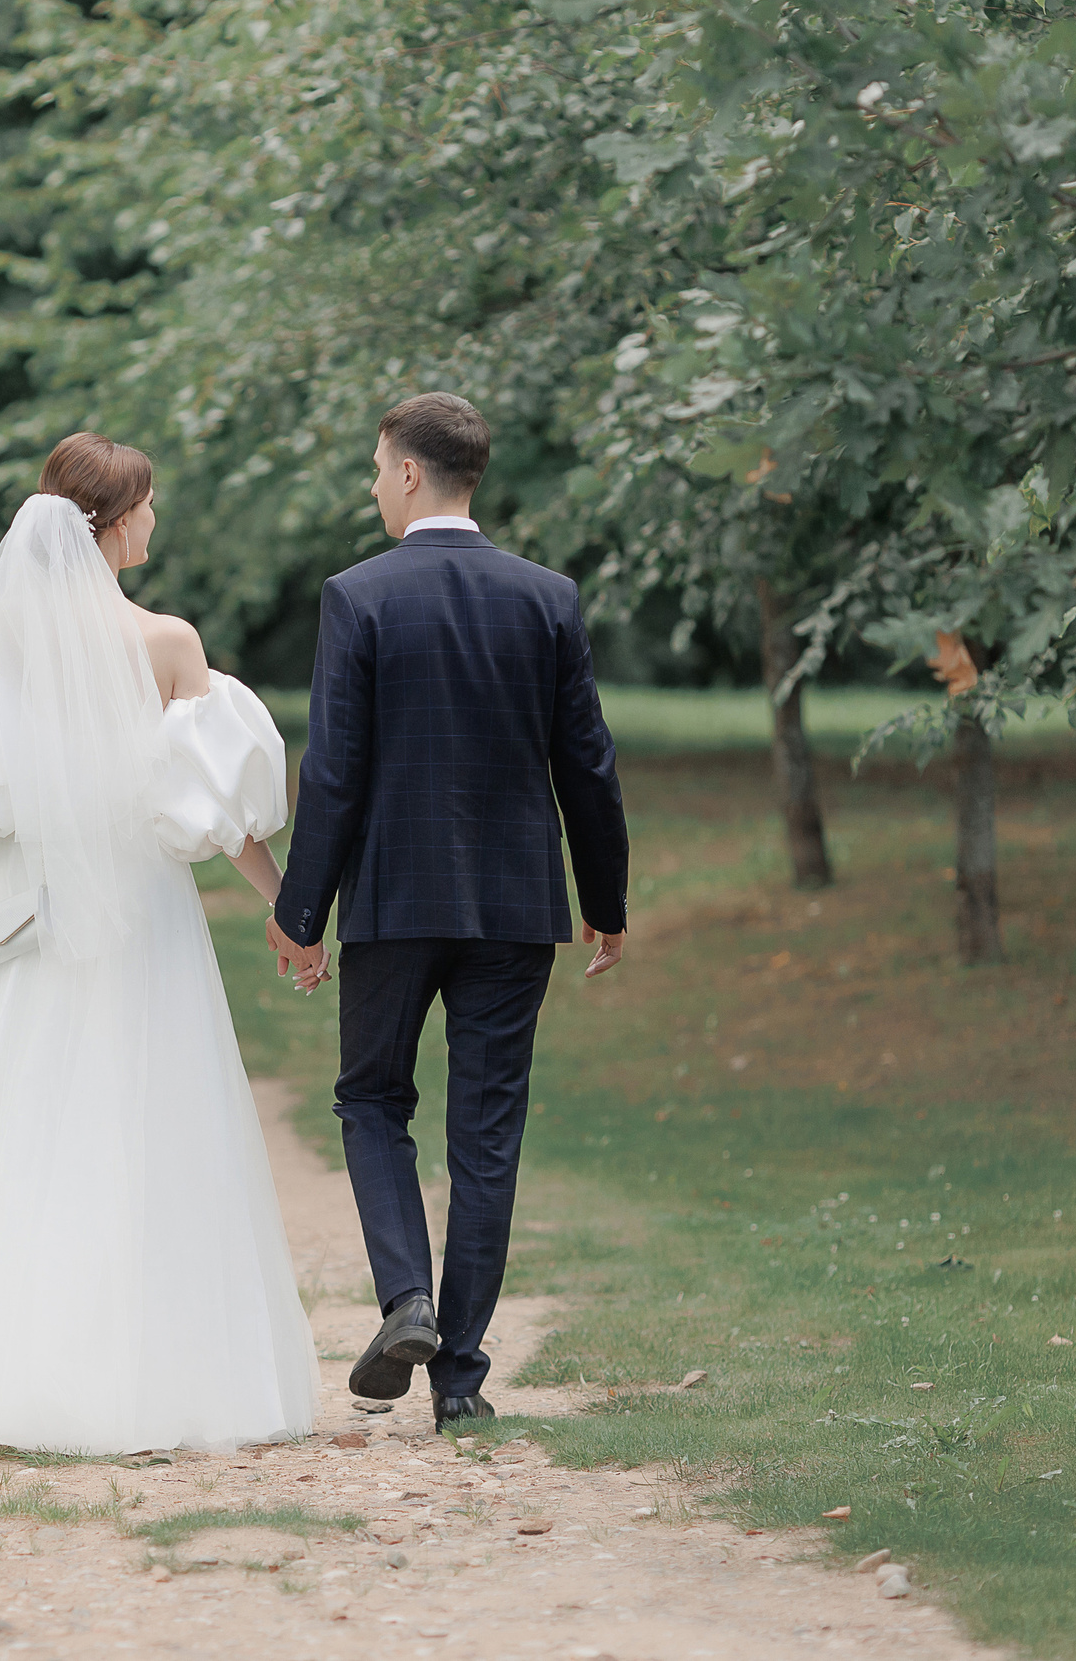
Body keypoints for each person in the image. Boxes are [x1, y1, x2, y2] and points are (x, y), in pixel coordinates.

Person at [0, 432, 318, 1454]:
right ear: (112, 521)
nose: (152, 520)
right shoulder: (166, 643)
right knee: (142, 1113)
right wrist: (288, 909)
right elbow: (218, 810)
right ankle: (145, 1376)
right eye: (144, 506)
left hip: (18, 896)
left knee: (8, 1111)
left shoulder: (1, 642)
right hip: (136, 903)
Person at [268, 391, 629, 1430]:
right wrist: (604, 900)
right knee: (487, 1134)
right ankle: (459, 1381)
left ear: (413, 473)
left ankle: (407, 1299)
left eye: (378, 468)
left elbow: (334, 772)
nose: (373, 486)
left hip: (391, 898)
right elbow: (588, 765)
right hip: (518, 907)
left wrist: (301, 910)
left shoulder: (359, 596)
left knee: (372, 1101)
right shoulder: (546, 597)